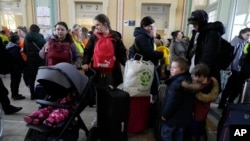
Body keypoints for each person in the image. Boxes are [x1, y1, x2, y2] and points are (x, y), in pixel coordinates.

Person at [82, 14, 127, 87]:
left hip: (112, 70)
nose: (96, 27)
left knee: (112, 89)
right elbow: (88, 50)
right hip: (97, 70)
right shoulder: (94, 37)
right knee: (98, 88)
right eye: (95, 25)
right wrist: (85, 62)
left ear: (105, 24)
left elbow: (121, 52)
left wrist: (126, 64)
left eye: (98, 25)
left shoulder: (115, 36)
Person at [186, 10, 224, 90]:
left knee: (203, 97)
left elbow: (209, 55)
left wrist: (199, 72)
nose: (194, 26)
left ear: (202, 22)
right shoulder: (197, 33)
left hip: (203, 73)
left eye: (195, 24)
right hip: (194, 70)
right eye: (193, 24)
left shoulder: (212, 33)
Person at [182, 63, 219, 141]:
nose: (193, 78)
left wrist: (188, 86)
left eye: (195, 76)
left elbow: (197, 96)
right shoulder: (209, 83)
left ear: (202, 76)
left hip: (198, 112)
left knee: (195, 128)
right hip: (203, 112)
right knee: (201, 126)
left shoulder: (202, 88)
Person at [129, 16, 164, 95]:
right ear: (143, 26)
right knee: (151, 87)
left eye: (152, 26)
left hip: (146, 65)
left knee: (150, 86)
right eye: (149, 26)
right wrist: (162, 54)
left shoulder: (146, 36)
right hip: (144, 66)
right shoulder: (142, 37)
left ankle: (150, 101)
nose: (151, 28)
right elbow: (149, 53)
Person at [161, 57, 193, 141]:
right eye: (171, 67)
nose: (171, 70)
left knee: (165, 133)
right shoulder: (188, 80)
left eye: (174, 68)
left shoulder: (176, 84)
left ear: (182, 70)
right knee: (179, 134)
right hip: (183, 117)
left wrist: (165, 115)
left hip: (173, 117)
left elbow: (171, 101)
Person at [218, 27, 250, 109]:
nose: (248, 37)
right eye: (247, 35)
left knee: (235, 88)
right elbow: (230, 56)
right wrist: (228, 68)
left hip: (239, 69)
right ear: (242, 33)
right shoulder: (236, 42)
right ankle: (223, 103)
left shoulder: (245, 43)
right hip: (234, 69)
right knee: (229, 87)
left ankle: (228, 104)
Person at [24, 24, 46, 100]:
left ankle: (32, 94)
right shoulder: (41, 36)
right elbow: (45, 47)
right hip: (40, 59)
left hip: (30, 60)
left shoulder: (26, 37)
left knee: (31, 78)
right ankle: (42, 93)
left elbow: (24, 50)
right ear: (38, 30)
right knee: (42, 77)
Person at [6, 34, 26, 100]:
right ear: (16, 40)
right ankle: (15, 95)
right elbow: (18, 59)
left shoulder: (10, 46)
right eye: (19, 39)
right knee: (16, 81)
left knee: (14, 81)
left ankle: (14, 94)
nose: (20, 40)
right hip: (15, 68)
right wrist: (23, 64)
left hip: (12, 67)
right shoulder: (14, 48)